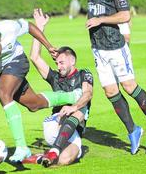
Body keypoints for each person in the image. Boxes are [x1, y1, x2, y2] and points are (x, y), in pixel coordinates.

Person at [40, 0, 146, 154]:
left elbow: (125, 15)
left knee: (129, 87)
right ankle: (133, 130)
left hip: (116, 48)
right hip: (98, 49)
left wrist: (100, 19)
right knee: (111, 92)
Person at [0, 18, 83, 162]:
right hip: (1, 74)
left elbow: (29, 27)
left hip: (17, 61)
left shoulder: (9, 28)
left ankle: (21, 147)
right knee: (33, 104)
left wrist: (48, 46)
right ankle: (71, 96)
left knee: (3, 94)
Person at [22, 9, 93, 167]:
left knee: (65, 160)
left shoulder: (84, 74)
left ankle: (41, 156)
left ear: (72, 61)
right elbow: (34, 57)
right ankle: (54, 150)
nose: (58, 66)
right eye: (57, 63)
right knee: (80, 111)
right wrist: (40, 27)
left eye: (62, 62)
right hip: (54, 124)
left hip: (71, 130)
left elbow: (87, 94)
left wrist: (73, 106)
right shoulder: (55, 77)